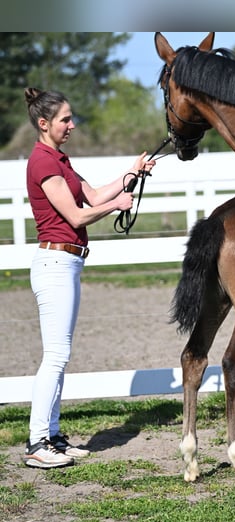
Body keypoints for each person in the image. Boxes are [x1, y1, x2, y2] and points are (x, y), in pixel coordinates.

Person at [23, 87, 156, 468]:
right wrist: (118, 204)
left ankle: (51, 436)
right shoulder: (43, 162)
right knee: (56, 355)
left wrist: (131, 173)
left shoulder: (58, 160)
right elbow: (78, 216)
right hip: (55, 264)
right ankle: (37, 442)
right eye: (65, 119)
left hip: (67, 264)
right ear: (44, 123)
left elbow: (94, 195)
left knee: (59, 355)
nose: (72, 125)